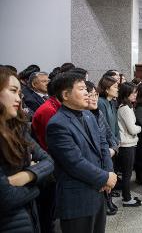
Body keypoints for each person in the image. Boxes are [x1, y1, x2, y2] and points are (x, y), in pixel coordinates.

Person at [46, 72, 116, 233]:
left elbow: (103, 145)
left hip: (99, 191)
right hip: (77, 197)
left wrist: (109, 172)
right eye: (82, 89)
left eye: (86, 88)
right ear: (65, 94)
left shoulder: (88, 115)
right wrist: (105, 177)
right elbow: (74, 163)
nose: (87, 93)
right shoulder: (57, 124)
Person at [0, 67, 54, 233]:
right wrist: (37, 185)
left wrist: (25, 176)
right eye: (13, 91)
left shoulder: (18, 129)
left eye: (19, 93)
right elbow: (5, 198)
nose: (18, 98)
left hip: (28, 214)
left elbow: (48, 161)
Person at [31, 75, 63, 233]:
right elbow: (51, 143)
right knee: (48, 207)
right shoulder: (48, 110)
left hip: (51, 160)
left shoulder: (54, 106)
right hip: (49, 161)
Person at [117, 83, 142, 207]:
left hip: (130, 143)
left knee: (128, 173)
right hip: (126, 144)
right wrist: (140, 127)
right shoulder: (125, 109)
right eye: (132, 93)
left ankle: (127, 196)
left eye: (135, 92)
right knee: (127, 174)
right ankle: (126, 199)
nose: (135, 95)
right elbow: (133, 129)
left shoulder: (129, 107)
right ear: (125, 94)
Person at [97, 75, 120, 213]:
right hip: (106, 145)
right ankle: (107, 201)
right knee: (107, 171)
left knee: (113, 171)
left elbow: (115, 125)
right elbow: (103, 127)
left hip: (113, 143)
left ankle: (109, 197)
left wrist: (116, 140)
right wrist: (111, 144)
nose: (118, 89)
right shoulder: (101, 102)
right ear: (106, 89)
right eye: (115, 87)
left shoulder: (112, 102)